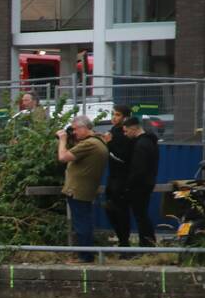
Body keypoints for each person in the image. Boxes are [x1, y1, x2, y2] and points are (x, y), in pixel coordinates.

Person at [56, 115, 108, 262]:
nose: (74, 133)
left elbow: (63, 157)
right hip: (85, 189)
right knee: (84, 222)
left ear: (84, 128)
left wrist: (63, 139)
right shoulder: (98, 141)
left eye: (75, 129)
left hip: (78, 191)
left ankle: (85, 256)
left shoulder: (89, 144)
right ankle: (86, 254)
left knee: (81, 224)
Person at [120, 116, 159, 248]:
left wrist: (129, 185)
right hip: (147, 183)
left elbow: (138, 169)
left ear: (134, 128)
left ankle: (147, 244)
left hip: (139, 186)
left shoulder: (141, 145)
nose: (125, 134)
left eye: (126, 131)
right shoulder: (150, 141)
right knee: (142, 215)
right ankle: (148, 243)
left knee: (141, 216)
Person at [102, 105, 133, 244]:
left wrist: (109, 144)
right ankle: (121, 239)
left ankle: (124, 241)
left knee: (121, 211)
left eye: (118, 115)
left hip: (122, 179)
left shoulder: (125, 134)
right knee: (109, 208)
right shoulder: (113, 130)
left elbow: (122, 157)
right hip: (112, 177)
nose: (114, 117)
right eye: (113, 114)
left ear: (125, 117)